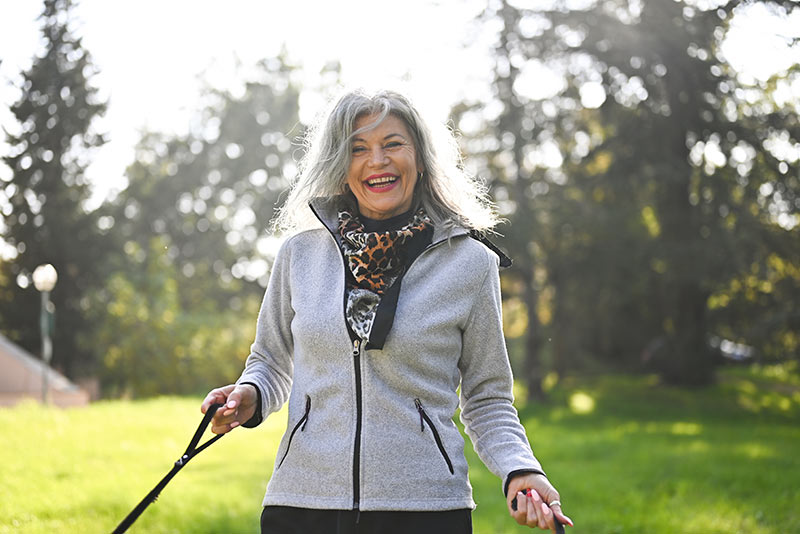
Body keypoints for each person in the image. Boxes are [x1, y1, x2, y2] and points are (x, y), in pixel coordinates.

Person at [201, 88, 573, 533]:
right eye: (358, 148)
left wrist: (520, 469)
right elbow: (270, 362)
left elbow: (487, 396)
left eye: (393, 144)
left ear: (419, 157)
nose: (376, 160)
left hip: (424, 509)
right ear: (339, 167)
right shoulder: (299, 254)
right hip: (302, 503)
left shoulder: (471, 263)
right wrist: (249, 394)